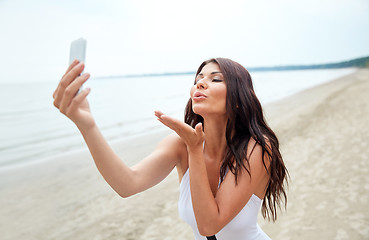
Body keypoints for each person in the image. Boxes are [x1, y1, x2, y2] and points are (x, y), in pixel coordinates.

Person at [53, 57, 288, 240]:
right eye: (198, 78)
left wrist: (195, 151)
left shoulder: (257, 147)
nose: (200, 83)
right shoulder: (180, 144)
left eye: (215, 79)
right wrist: (88, 125)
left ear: (237, 99)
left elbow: (210, 224)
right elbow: (127, 184)